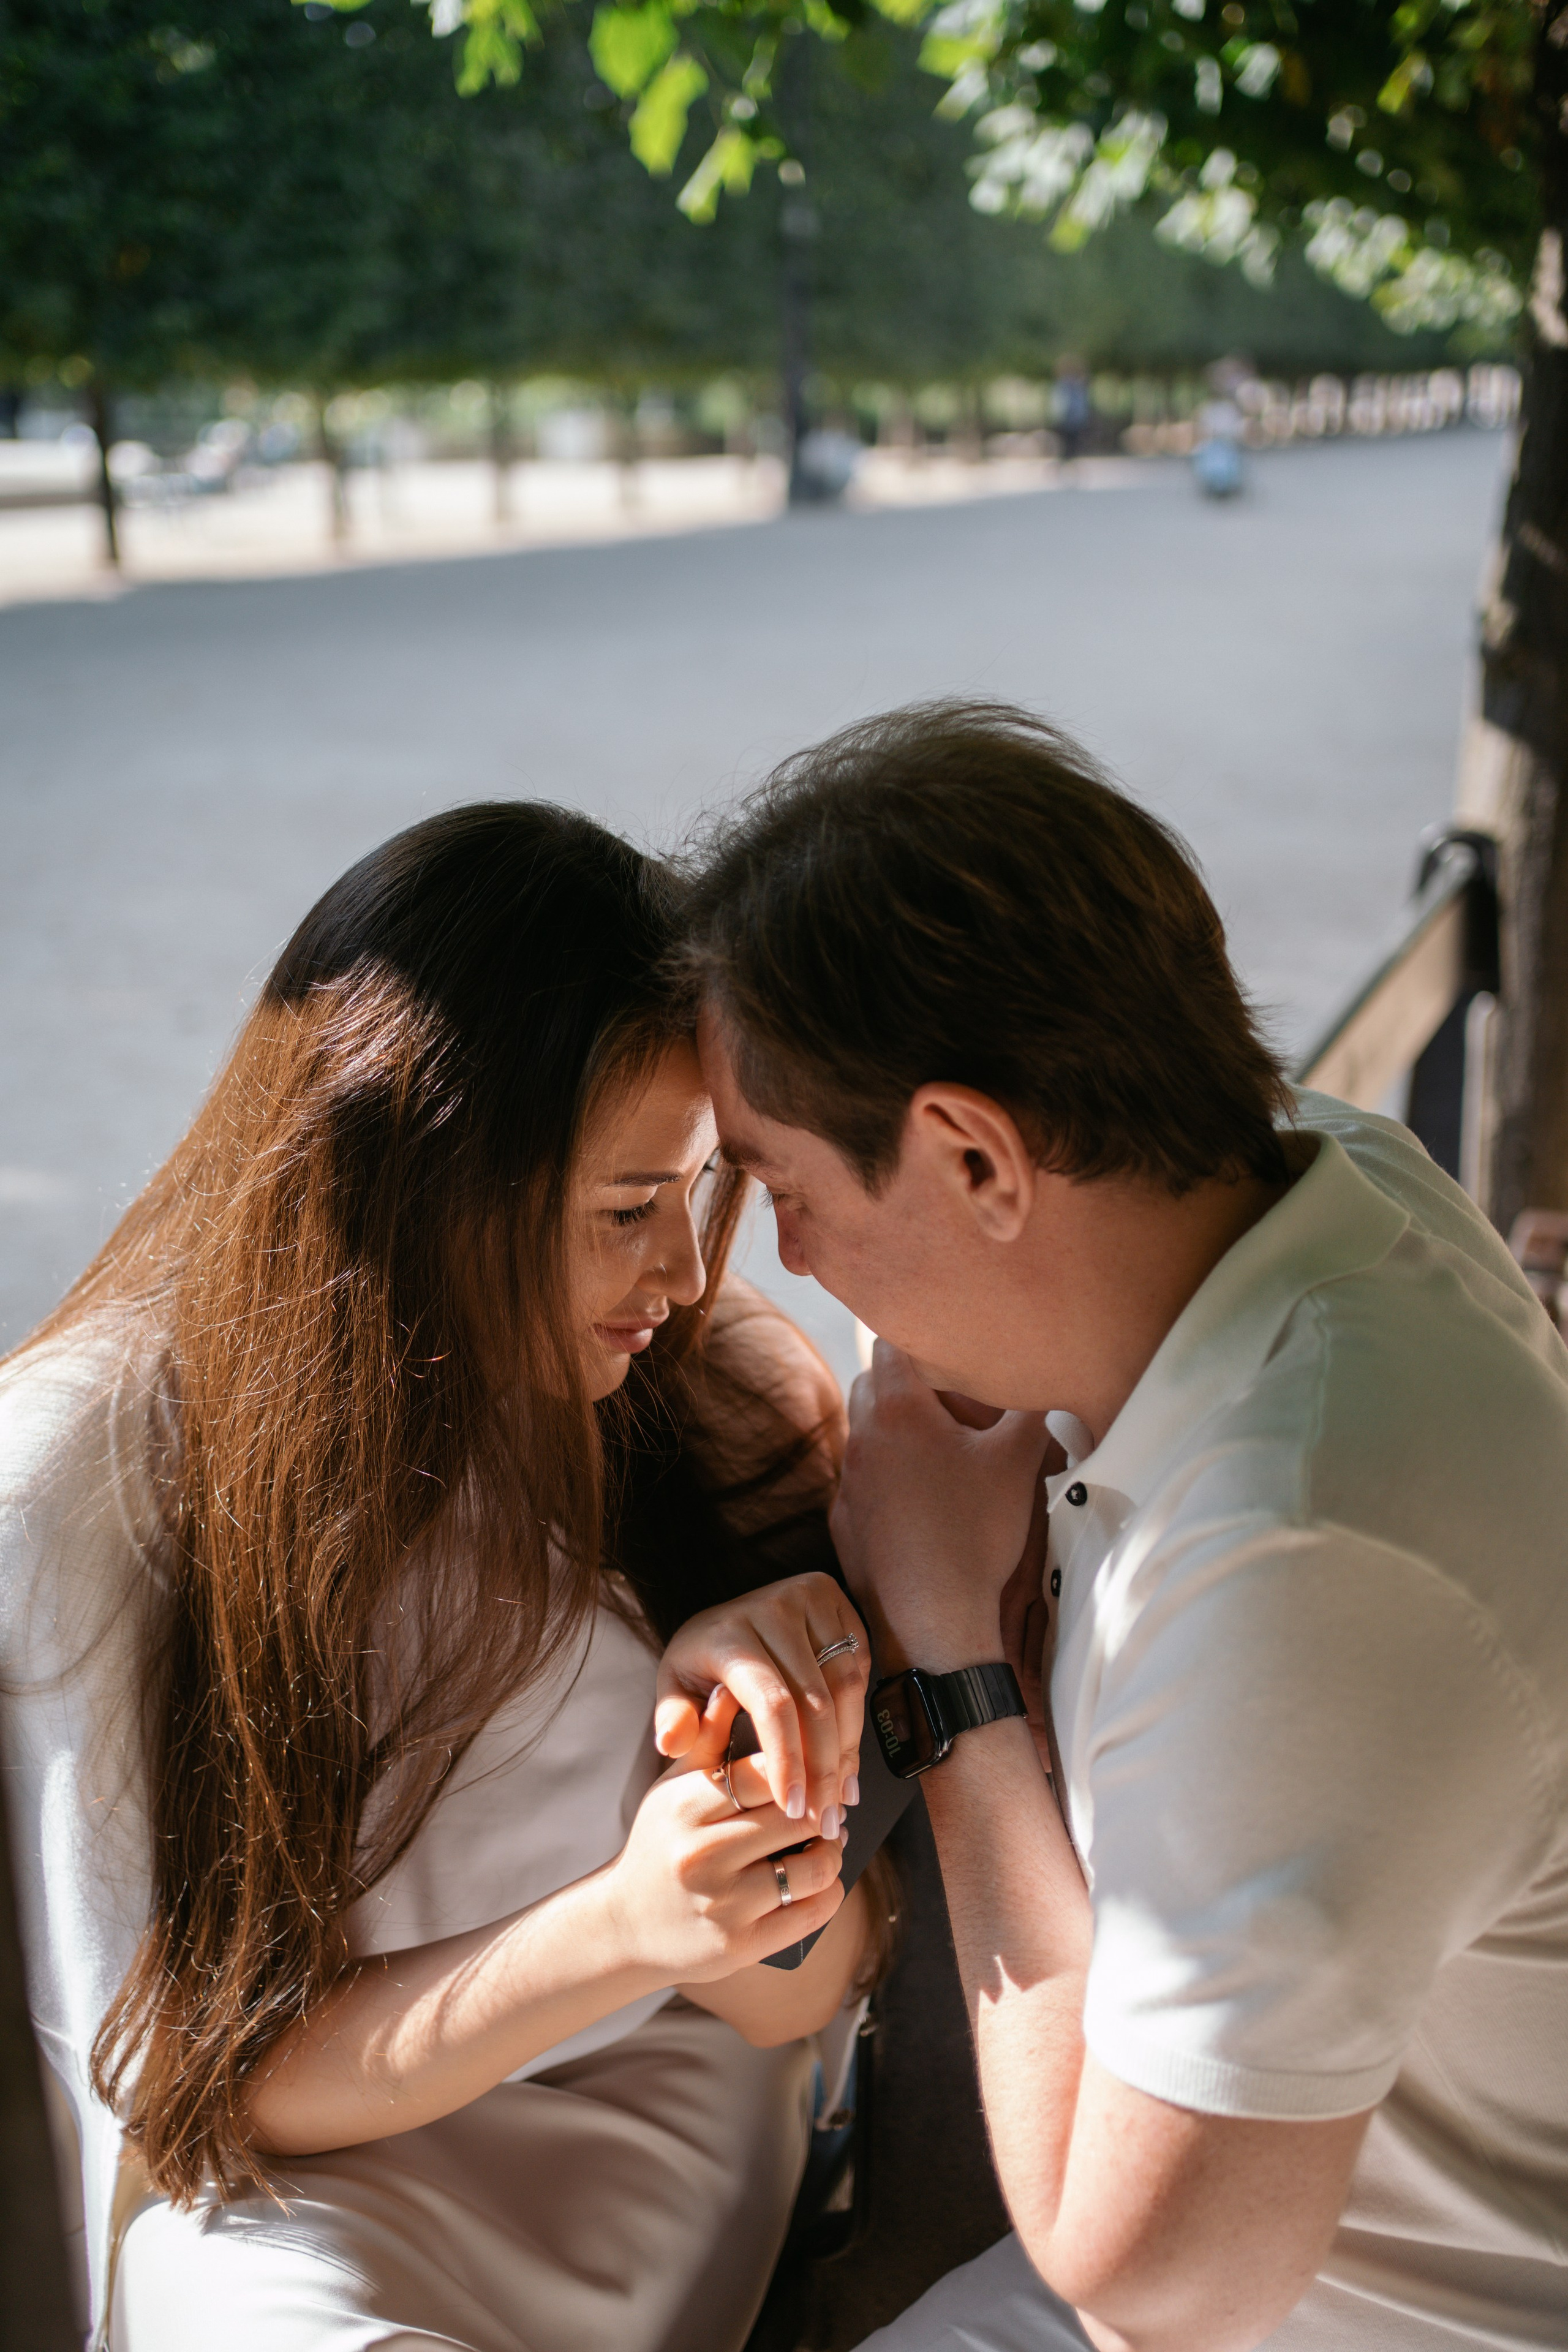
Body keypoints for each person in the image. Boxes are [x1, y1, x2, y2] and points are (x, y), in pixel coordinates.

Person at [680, 700, 1568, 2352]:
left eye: (785, 1186)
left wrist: (952, 1664)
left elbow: (1153, 2284)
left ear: (973, 1155)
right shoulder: (1323, 1171)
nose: (788, 1259)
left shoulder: (1307, 1552)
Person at [1, 802, 882, 2352]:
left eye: (693, 1195)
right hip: (301, 2174)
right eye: (625, 1210)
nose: (683, 1274)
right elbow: (199, 2082)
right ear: (425, 1176)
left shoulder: (703, 1389)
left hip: (652, 2106)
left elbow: (805, 1995)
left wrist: (754, 1749)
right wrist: (612, 1925)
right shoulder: (94, 1473)